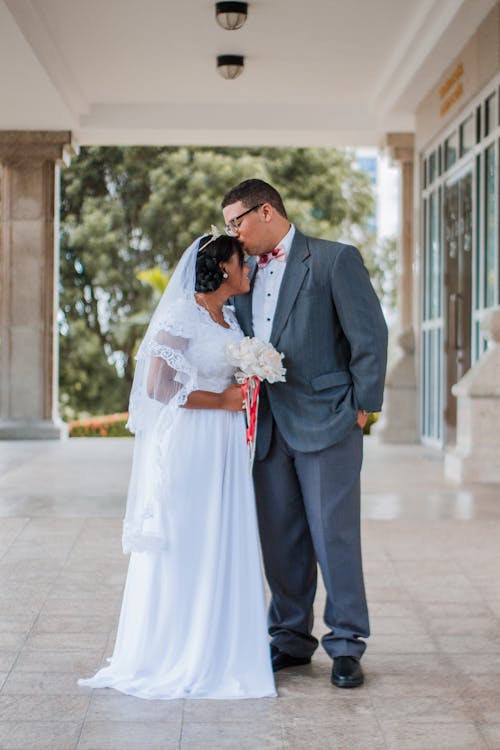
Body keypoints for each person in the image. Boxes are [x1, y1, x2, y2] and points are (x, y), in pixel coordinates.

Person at [78, 232, 276, 700]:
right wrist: (224, 399)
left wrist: (247, 385)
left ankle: (222, 647)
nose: (249, 267)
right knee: (190, 537)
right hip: (194, 440)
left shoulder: (226, 316)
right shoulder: (183, 312)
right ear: (223, 267)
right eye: (242, 261)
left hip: (227, 442)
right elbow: (157, 385)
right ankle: (178, 650)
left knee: (221, 535)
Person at [221, 179, 388, 689]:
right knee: (281, 539)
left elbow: (370, 335)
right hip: (267, 426)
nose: (232, 233)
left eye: (237, 222)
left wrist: (363, 409)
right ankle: (290, 639)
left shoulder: (335, 260)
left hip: (329, 421)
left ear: (265, 211)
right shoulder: (242, 271)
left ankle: (346, 644)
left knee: (334, 536)